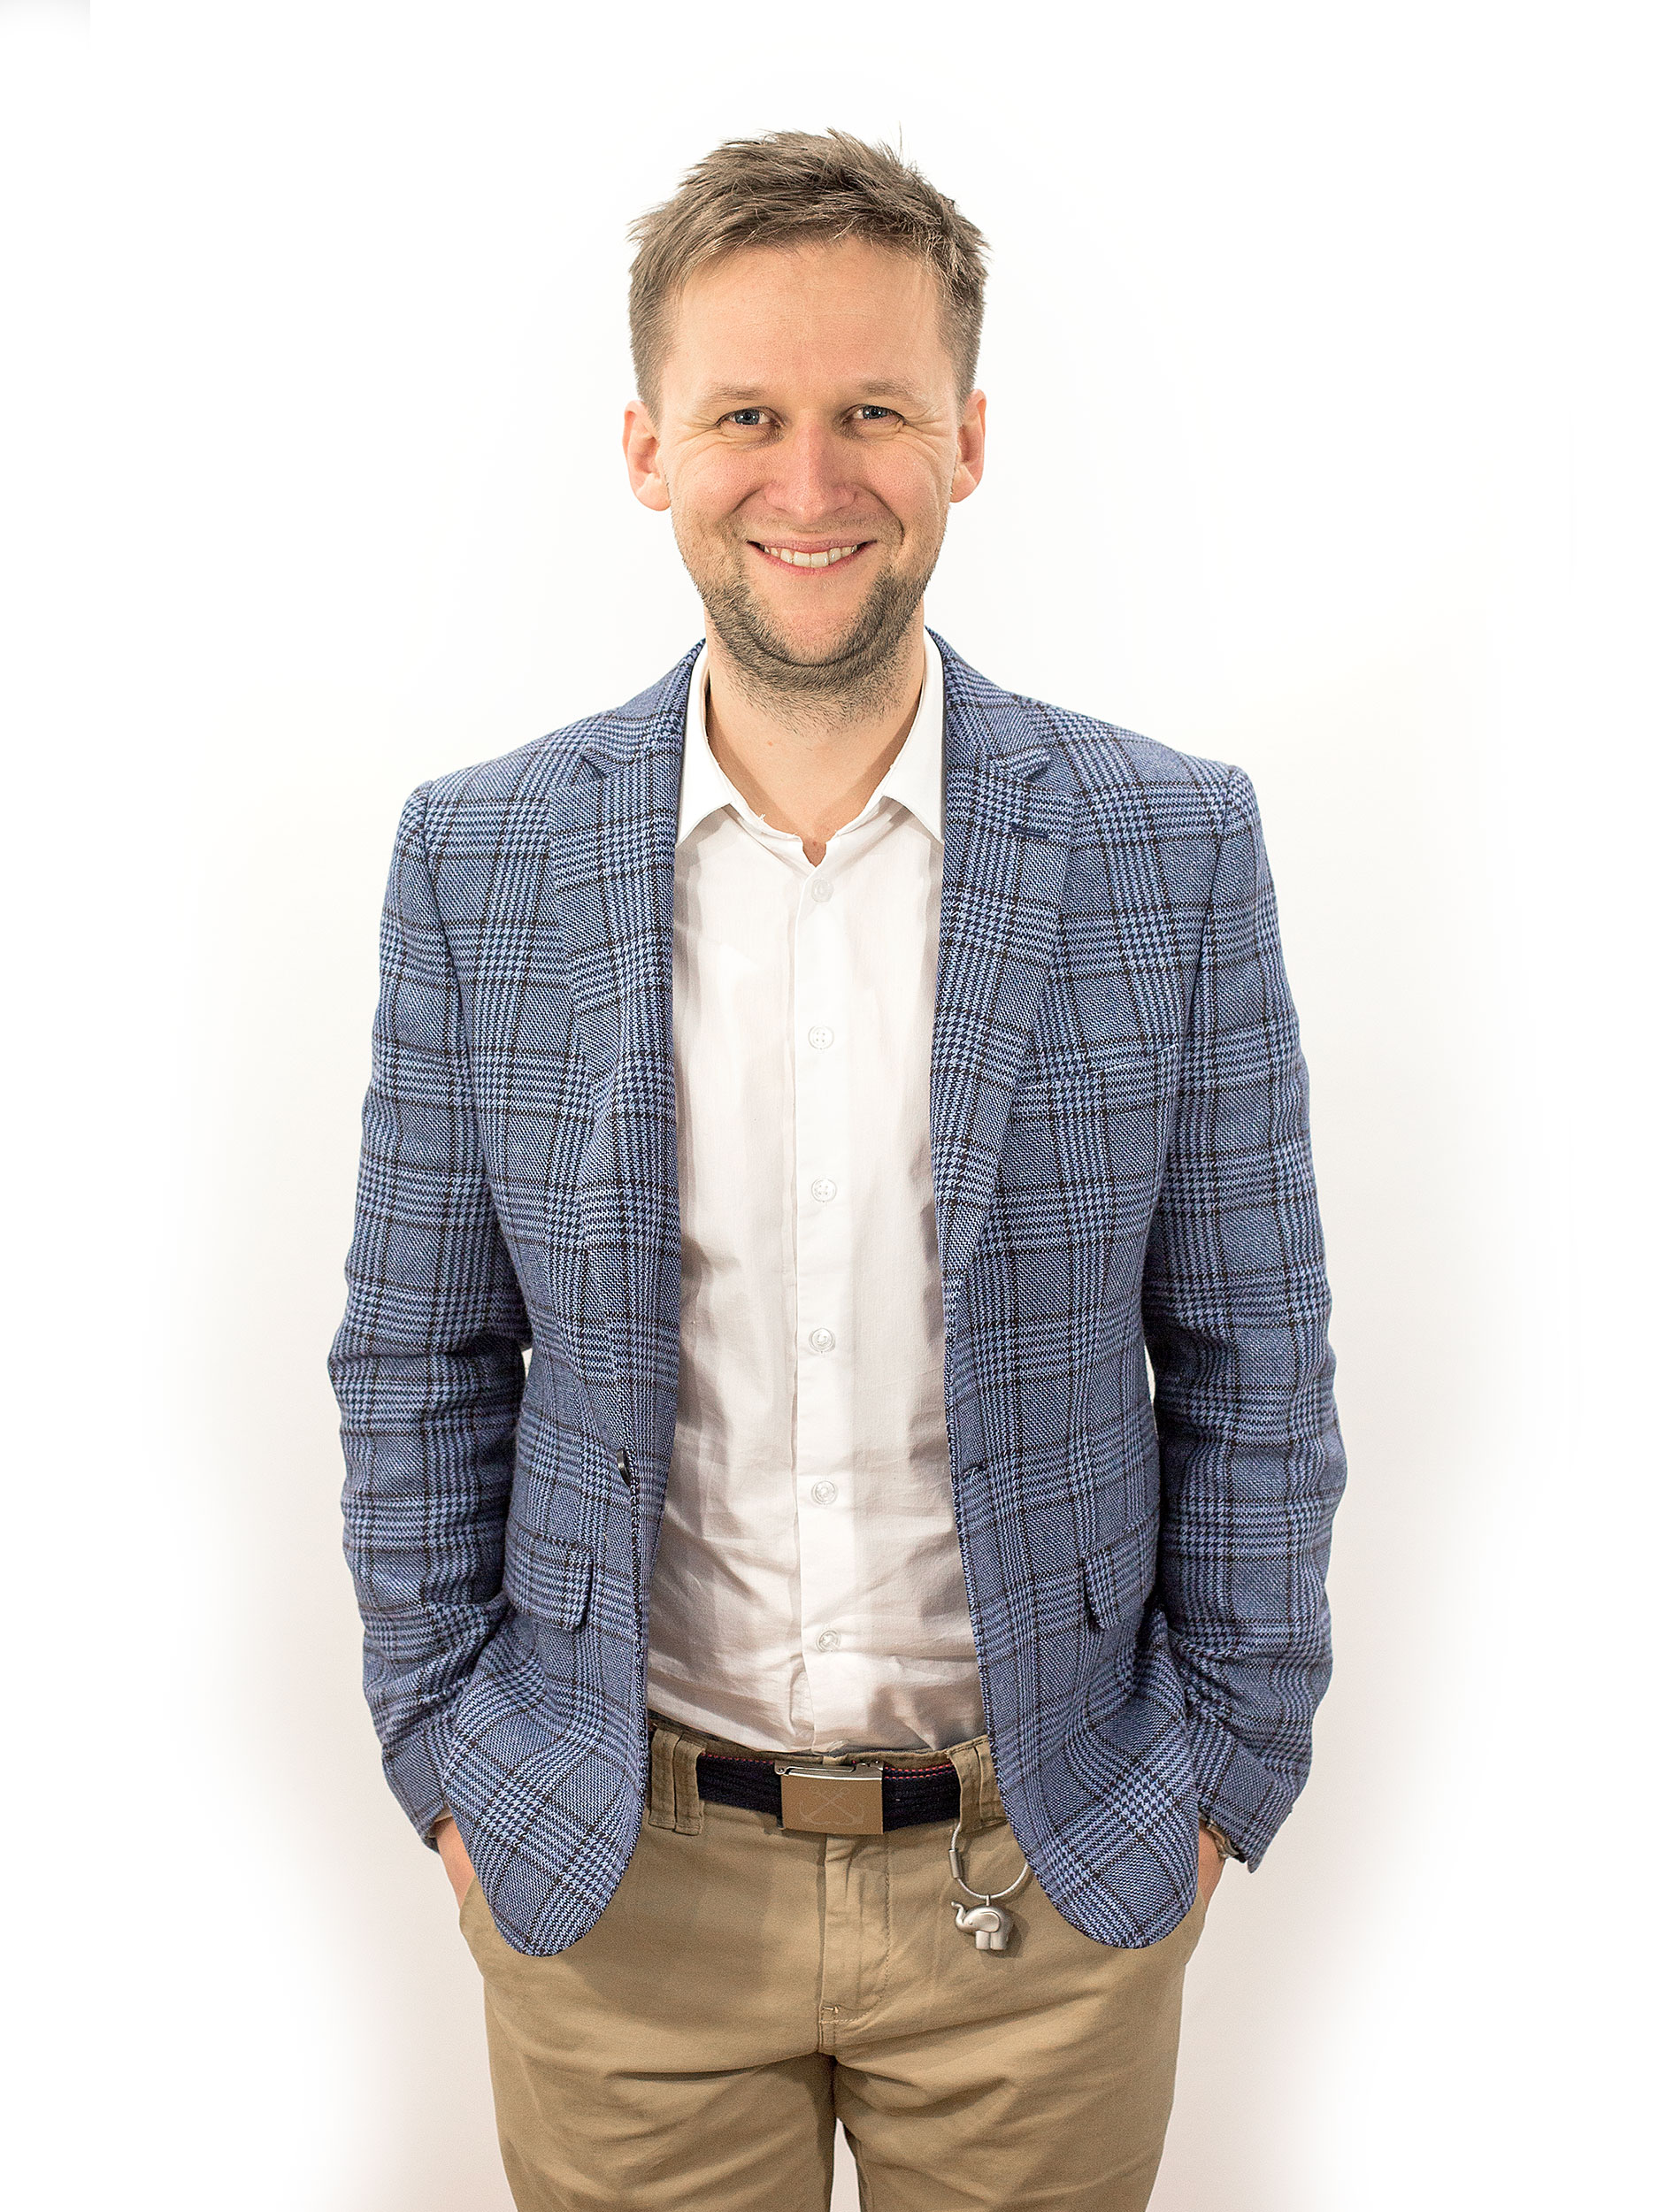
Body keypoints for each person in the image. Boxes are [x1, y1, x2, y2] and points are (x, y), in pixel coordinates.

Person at [331, 127, 1347, 2212]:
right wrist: (450, 1757)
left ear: (966, 437)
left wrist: (1214, 1773)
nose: (811, 480)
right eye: (745, 416)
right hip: (611, 1881)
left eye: (873, 409)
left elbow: (1254, 1349)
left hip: (1044, 1879)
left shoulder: (1170, 847)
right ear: (647, 448)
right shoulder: (477, 858)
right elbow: (417, 1350)